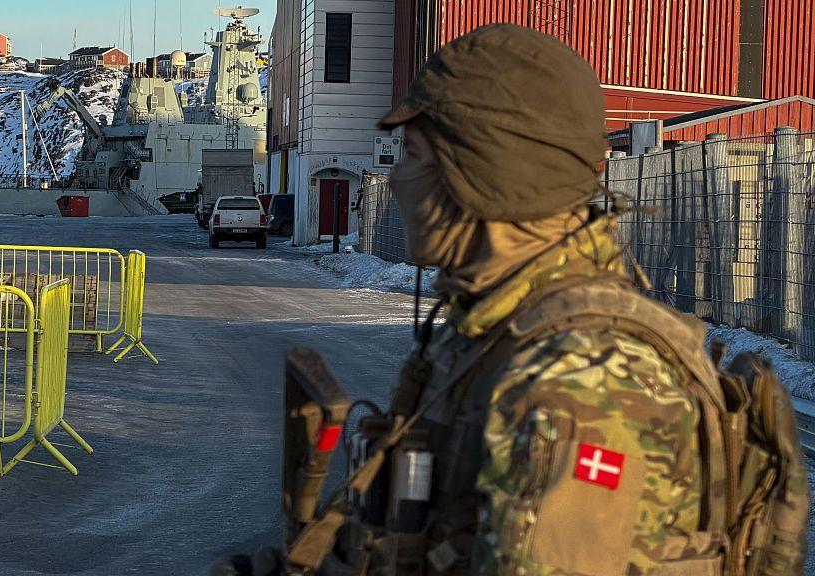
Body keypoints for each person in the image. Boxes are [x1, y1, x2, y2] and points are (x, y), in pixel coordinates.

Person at [216, 24, 808, 576]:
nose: (396, 179)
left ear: (487, 171)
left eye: (414, 156)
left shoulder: (583, 385)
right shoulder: (494, 327)